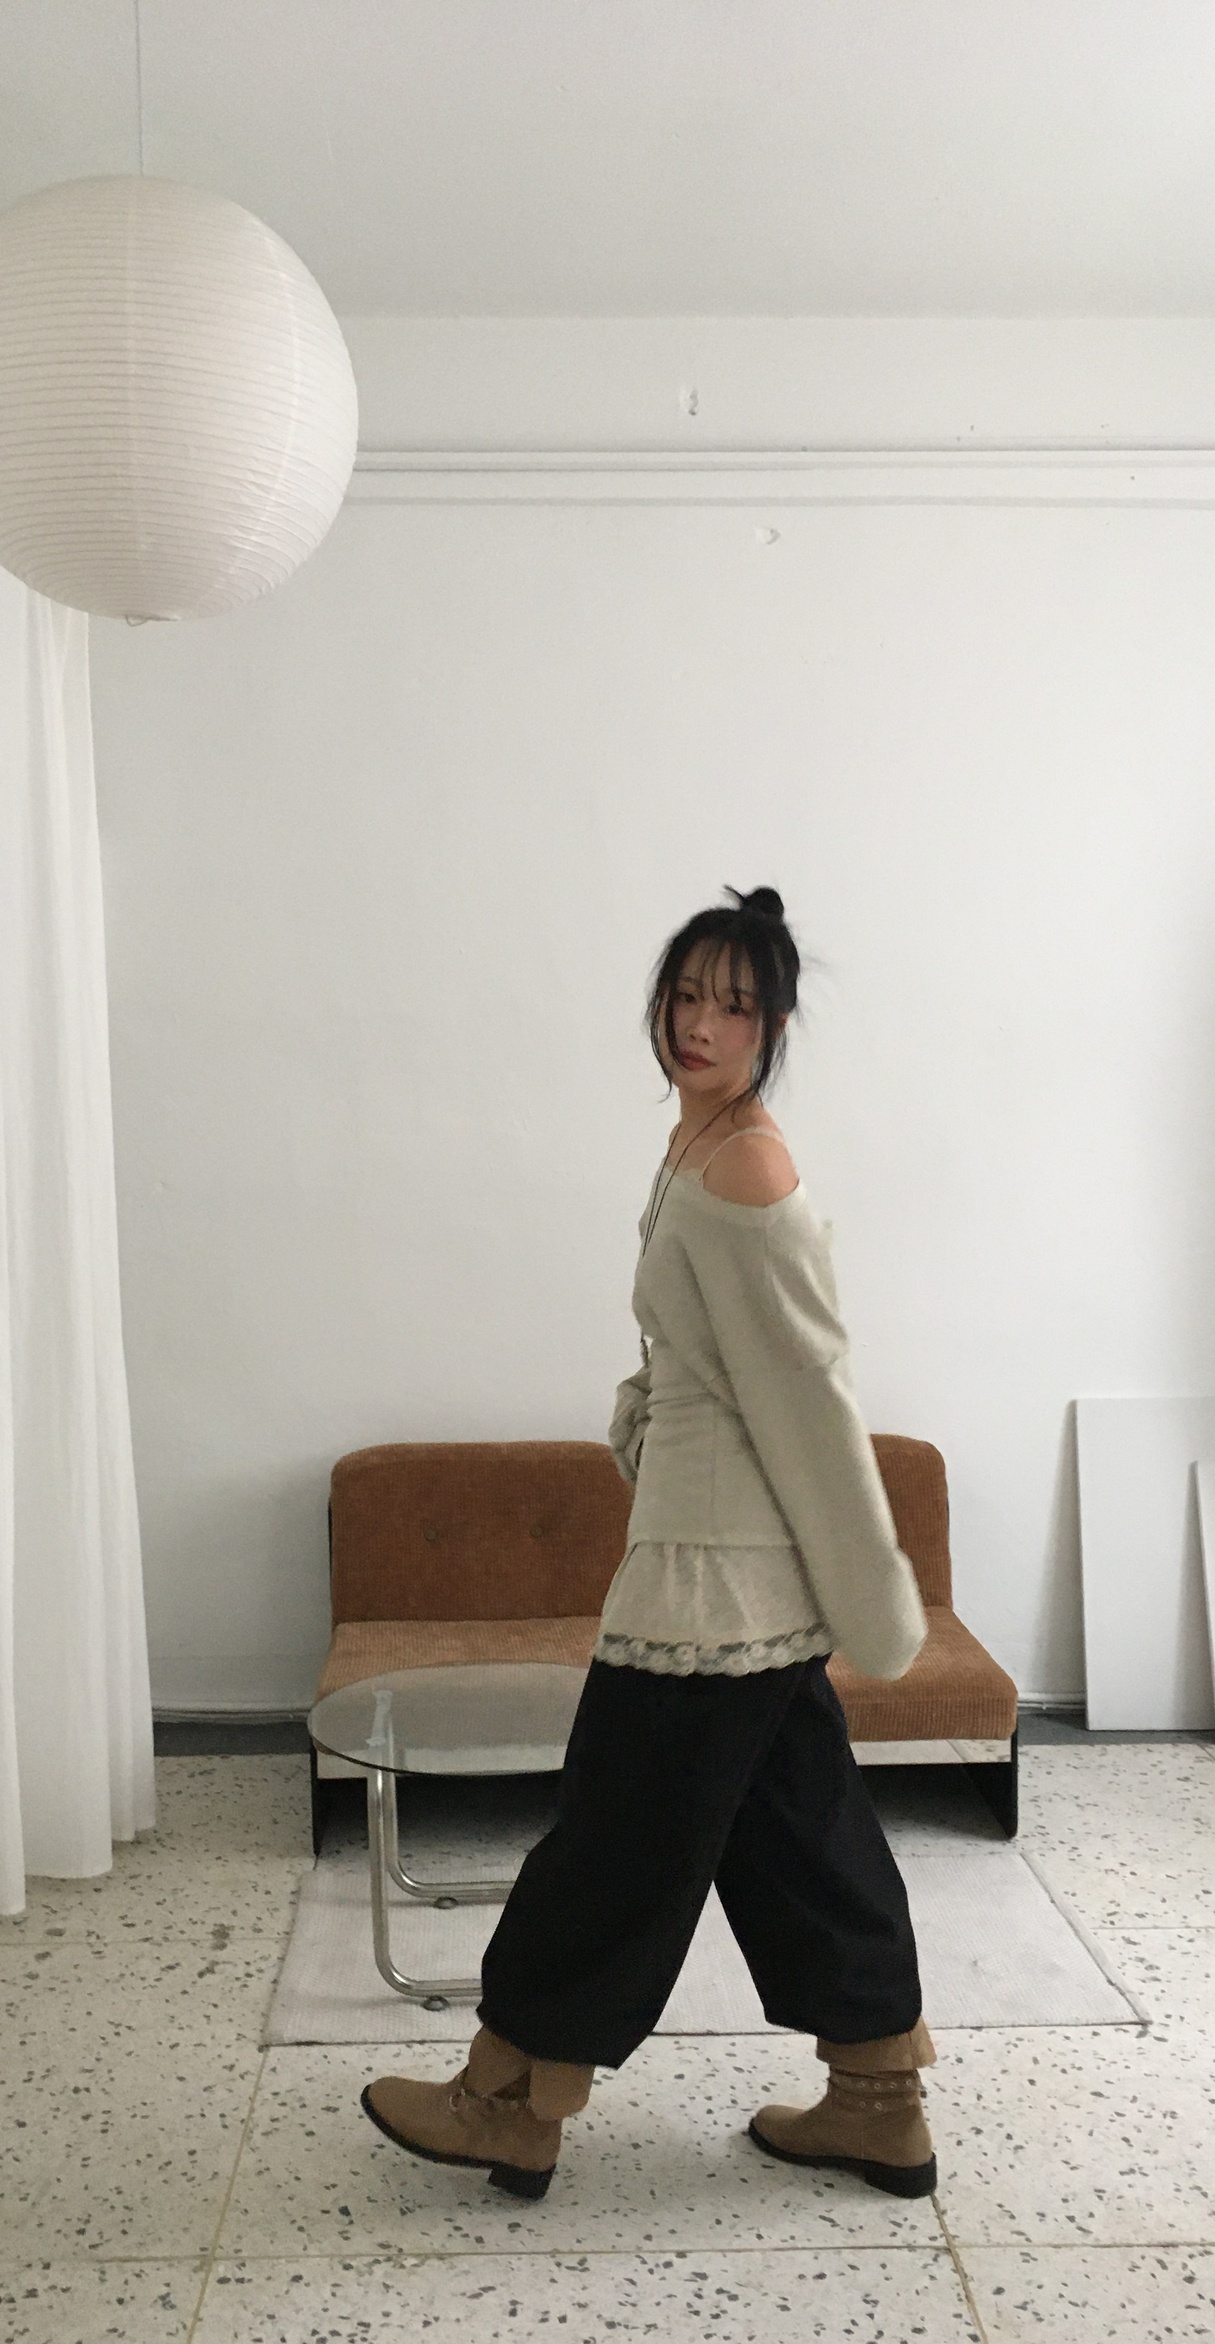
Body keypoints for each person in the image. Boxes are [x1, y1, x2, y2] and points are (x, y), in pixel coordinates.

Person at [360, 885, 937, 2202]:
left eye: (734, 1005)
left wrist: (875, 1594)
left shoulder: (747, 1170)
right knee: (803, 1841)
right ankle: (878, 2100)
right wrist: (648, 1406)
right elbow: (702, 1352)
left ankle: (506, 2101)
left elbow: (811, 1398)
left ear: (772, 1025)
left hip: (710, 1587)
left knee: (610, 1842)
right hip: (729, 1574)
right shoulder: (698, 1143)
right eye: (685, 996)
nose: (700, 1024)